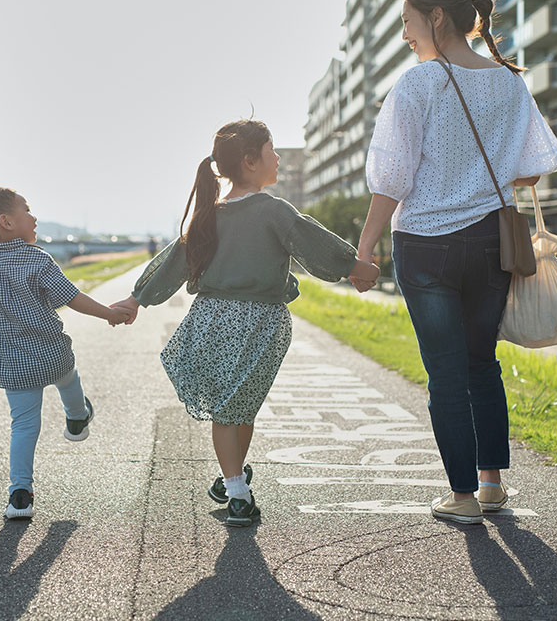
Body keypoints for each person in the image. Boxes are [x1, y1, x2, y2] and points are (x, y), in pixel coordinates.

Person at [353, 0, 557, 525]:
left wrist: (366, 247)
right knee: (480, 363)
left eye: (408, 23)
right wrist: (480, 171)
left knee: (445, 372)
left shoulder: (416, 84)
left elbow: (391, 178)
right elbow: (533, 170)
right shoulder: (509, 82)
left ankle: (462, 497)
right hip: (490, 240)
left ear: (437, 18)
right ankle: (491, 485)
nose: (405, 36)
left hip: (425, 244)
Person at [111, 120, 380, 527]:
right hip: (258, 321)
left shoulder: (210, 215)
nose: (278, 159)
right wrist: (356, 267)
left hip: (213, 319)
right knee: (232, 407)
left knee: (238, 404)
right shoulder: (272, 210)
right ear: (251, 161)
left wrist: (137, 297)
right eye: (273, 152)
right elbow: (313, 242)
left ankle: (230, 475)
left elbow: (174, 261)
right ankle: (237, 492)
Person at [0, 188, 132, 519]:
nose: (34, 218)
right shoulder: (38, 259)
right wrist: (108, 313)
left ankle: (20, 494)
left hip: (12, 365)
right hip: (50, 353)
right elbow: (72, 297)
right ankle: (77, 418)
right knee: (69, 378)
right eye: (27, 211)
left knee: (23, 425)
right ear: (6, 222)